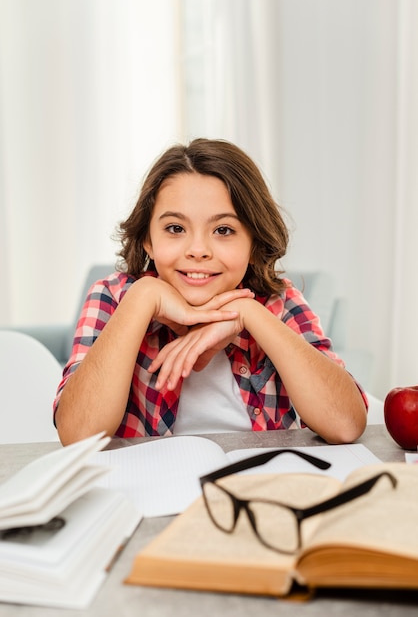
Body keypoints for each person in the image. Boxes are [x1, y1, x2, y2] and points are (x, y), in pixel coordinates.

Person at [54, 138, 367, 445]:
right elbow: (78, 433)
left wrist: (247, 314)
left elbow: (345, 425)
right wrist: (143, 296)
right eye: (176, 228)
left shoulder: (278, 303)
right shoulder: (113, 297)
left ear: (253, 243)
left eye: (223, 230)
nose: (198, 250)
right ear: (148, 239)